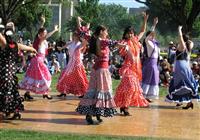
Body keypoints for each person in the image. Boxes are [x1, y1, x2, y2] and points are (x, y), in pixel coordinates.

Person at [76, 25, 127, 125]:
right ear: (101, 32)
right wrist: (124, 45)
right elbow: (115, 43)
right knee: (102, 91)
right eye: (106, 31)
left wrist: (82, 27)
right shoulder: (103, 41)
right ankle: (93, 114)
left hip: (96, 70)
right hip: (102, 70)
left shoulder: (94, 39)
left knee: (94, 91)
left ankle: (94, 114)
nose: (107, 33)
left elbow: (82, 33)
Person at [114, 12, 149, 116]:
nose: (130, 34)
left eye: (132, 33)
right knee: (131, 87)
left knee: (129, 89)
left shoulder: (135, 40)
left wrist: (145, 20)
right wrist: (122, 46)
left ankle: (125, 107)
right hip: (128, 67)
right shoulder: (124, 42)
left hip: (136, 68)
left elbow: (143, 30)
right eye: (128, 33)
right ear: (125, 34)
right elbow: (119, 46)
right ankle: (124, 106)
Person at [0, 22, 37, 120]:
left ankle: (4, 111)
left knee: (5, 91)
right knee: (11, 91)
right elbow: (29, 48)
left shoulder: (4, 45)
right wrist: (33, 49)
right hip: (11, 72)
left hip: (4, 72)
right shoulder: (16, 45)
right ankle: (14, 112)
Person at [19, 15, 59, 100]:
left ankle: (30, 93)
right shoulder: (40, 40)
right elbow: (44, 35)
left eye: (45, 32)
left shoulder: (41, 40)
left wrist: (43, 22)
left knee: (35, 77)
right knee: (45, 76)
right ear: (40, 34)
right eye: (44, 33)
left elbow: (41, 31)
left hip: (38, 60)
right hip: (38, 61)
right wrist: (55, 30)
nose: (45, 34)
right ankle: (44, 93)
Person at [165, 26, 199, 109]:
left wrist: (179, 30)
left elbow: (180, 37)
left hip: (181, 66)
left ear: (182, 40)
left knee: (181, 84)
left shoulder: (183, 46)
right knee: (185, 84)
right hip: (185, 66)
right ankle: (185, 102)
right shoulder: (189, 46)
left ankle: (183, 101)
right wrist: (186, 37)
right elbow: (189, 41)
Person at [56, 17, 89, 98]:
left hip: (77, 63)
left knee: (79, 77)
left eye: (75, 36)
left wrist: (86, 28)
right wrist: (61, 48)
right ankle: (64, 91)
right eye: (73, 35)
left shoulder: (80, 44)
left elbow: (85, 39)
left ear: (78, 37)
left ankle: (83, 92)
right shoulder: (72, 42)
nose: (74, 37)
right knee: (65, 75)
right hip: (71, 62)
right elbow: (66, 45)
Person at [142, 17, 160, 102]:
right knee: (147, 80)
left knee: (153, 80)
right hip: (150, 64)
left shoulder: (155, 44)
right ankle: (143, 96)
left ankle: (147, 96)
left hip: (154, 64)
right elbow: (149, 34)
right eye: (151, 35)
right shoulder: (148, 42)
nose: (153, 35)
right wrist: (154, 25)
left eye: (154, 35)